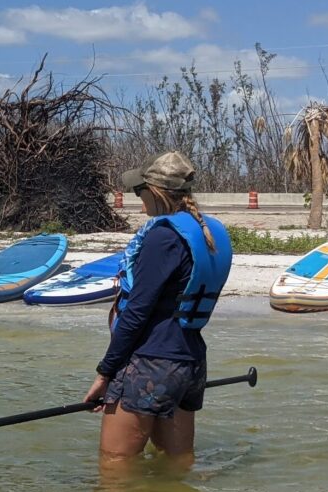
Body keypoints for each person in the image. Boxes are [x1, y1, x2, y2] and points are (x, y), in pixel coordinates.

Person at [83, 151, 233, 473]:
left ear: (155, 192)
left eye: (140, 193)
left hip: (150, 364)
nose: (140, 203)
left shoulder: (164, 238)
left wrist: (105, 373)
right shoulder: (208, 232)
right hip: (190, 364)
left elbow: (137, 312)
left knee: (115, 468)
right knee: (177, 465)